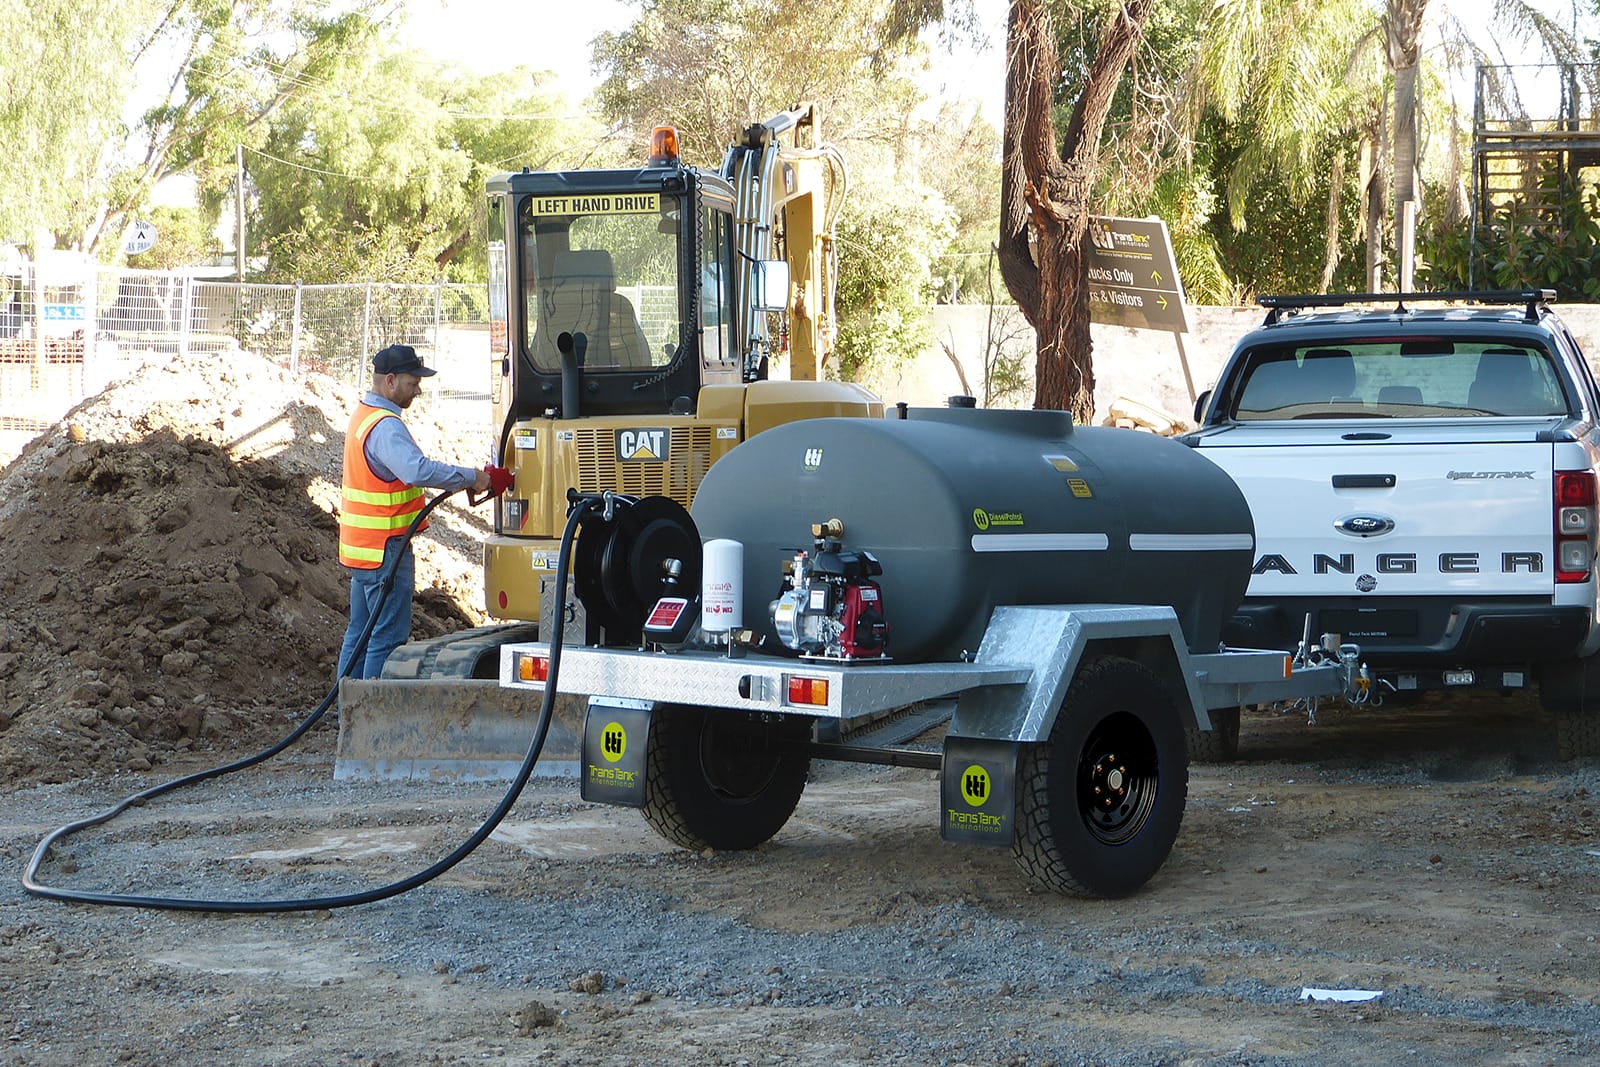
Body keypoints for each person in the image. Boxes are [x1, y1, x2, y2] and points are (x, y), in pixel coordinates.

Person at [337, 344, 491, 679]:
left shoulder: (364, 415)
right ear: (390, 381)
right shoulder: (385, 426)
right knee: (385, 641)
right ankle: (372, 721)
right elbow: (417, 471)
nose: (418, 390)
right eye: (413, 382)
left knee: (359, 636)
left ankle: (348, 718)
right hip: (386, 549)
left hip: (363, 550)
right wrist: (472, 477)